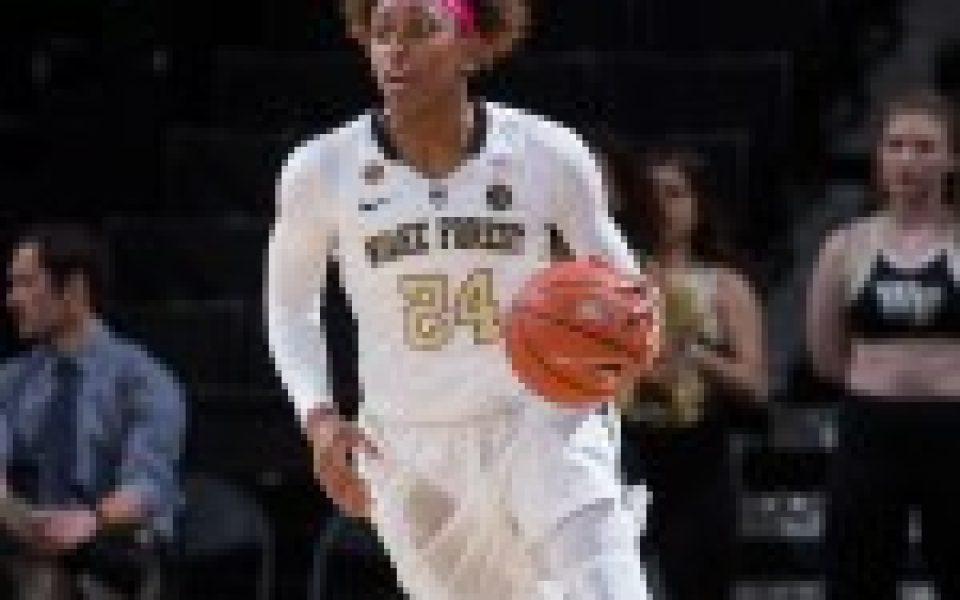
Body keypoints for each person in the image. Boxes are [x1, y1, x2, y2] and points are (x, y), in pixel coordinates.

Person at [265, 0, 653, 598]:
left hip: (541, 419)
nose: (397, 49)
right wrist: (318, 419)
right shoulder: (321, 170)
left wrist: (623, 342)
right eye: (382, 33)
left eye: (422, 30)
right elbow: (291, 307)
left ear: (474, 47)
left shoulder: (547, 152)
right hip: (410, 443)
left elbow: (626, 288)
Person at [806, 90, 960, 600]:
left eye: (924, 147)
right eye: (896, 145)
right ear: (879, 156)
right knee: (857, 576)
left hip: (953, 427)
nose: (908, 160)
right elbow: (826, 356)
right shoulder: (845, 247)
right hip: (871, 428)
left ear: (951, 159)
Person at [612, 147, 767, 600]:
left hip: (699, 457)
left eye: (675, 193)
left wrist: (694, 354)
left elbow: (755, 385)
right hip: (624, 452)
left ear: (700, 204)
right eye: (651, 194)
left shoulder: (726, 284)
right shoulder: (612, 277)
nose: (662, 205)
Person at [0, 224, 185, 600]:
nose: (12, 299)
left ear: (74, 289)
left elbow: (148, 486)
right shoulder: (10, 381)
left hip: (109, 545)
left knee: (60, 572)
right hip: (28, 539)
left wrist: (90, 520)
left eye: (26, 283)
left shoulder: (143, 380)